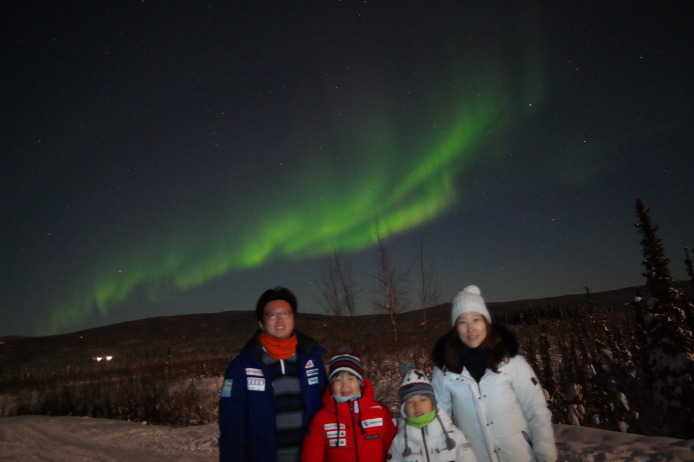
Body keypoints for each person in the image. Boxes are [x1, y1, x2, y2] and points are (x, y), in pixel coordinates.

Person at [431, 285, 557, 462]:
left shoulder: (512, 363)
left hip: (520, 455)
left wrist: (545, 453)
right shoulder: (444, 371)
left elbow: (536, 410)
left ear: (486, 323)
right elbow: (437, 419)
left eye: (476, 319)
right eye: (462, 321)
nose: (470, 328)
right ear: (455, 327)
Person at [218, 286, 328, 462]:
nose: (279, 320)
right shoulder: (242, 366)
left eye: (286, 313)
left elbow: (329, 408)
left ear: (294, 319)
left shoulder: (312, 359)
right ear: (261, 323)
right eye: (272, 314)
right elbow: (232, 424)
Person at [301, 349, 397, 462]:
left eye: (351, 378)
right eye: (338, 379)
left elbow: (395, 450)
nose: (344, 385)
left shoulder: (380, 412)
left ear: (359, 383)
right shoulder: (321, 419)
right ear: (331, 385)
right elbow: (311, 457)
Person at [388, 363, 478, 462]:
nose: (417, 406)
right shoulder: (399, 442)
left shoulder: (453, 435)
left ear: (433, 404)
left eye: (422, 400)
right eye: (410, 402)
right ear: (403, 409)